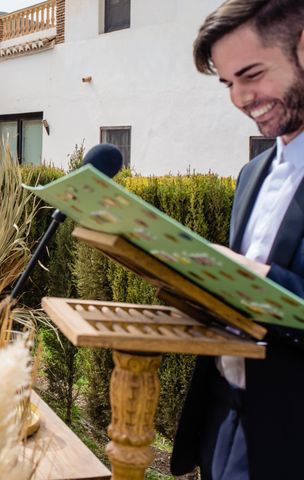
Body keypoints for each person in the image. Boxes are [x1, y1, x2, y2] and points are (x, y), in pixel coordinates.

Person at [171, 1, 304, 479]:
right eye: (229, 83)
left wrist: (259, 278)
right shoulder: (251, 175)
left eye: (251, 74)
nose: (240, 99)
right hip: (223, 424)